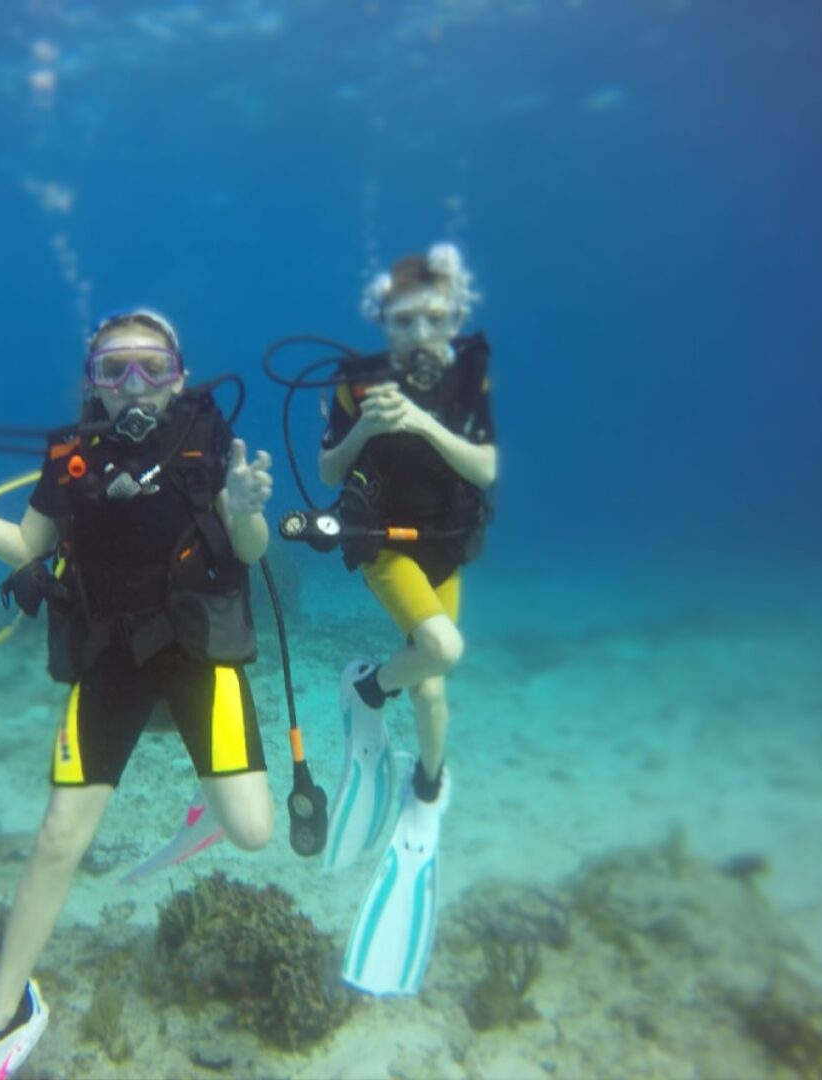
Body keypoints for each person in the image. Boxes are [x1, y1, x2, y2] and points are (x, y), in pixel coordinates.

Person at [0, 309, 276, 1079]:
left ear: (180, 374)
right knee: (58, 838)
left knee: (254, 830)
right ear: (91, 382)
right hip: (110, 657)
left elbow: (246, 549)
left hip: (196, 653)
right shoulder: (71, 455)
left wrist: (248, 511)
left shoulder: (207, 443)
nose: (133, 385)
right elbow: (29, 546)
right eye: (112, 369)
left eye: (151, 366)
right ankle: (2, 1017)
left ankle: (208, 813)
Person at [317, 243, 496, 996]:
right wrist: (371, 427)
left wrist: (423, 422)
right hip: (387, 549)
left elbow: (485, 468)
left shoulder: (467, 379)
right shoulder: (357, 385)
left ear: (456, 317)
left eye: (434, 318)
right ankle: (367, 693)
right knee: (441, 648)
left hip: (446, 551)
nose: (420, 334)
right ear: (382, 324)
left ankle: (426, 789)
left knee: (432, 688)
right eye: (402, 321)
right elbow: (330, 470)